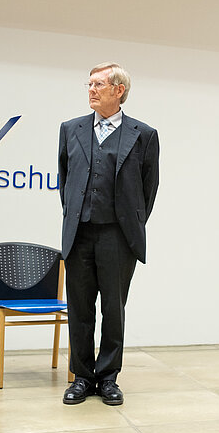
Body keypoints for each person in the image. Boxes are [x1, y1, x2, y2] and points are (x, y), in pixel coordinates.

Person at [58, 62, 159, 406]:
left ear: (119, 90)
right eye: (89, 84)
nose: (91, 89)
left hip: (118, 237)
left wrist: (129, 222)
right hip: (79, 233)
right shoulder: (70, 129)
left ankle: (109, 378)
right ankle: (82, 377)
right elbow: (65, 180)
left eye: (98, 84)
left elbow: (149, 188)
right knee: (80, 310)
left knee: (113, 310)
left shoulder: (143, 134)